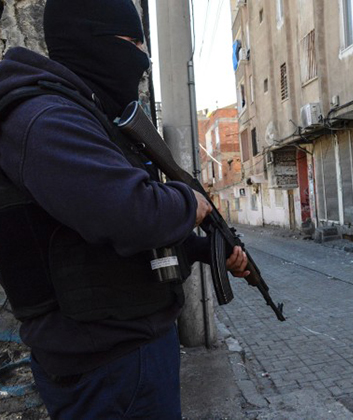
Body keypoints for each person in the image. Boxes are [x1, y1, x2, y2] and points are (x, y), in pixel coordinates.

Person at [0, 0, 248, 417]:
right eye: (131, 41)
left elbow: (105, 242)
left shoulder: (83, 115)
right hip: (107, 366)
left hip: (125, 352)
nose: (143, 58)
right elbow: (132, 215)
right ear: (88, 39)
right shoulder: (47, 119)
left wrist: (207, 250)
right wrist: (192, 204)